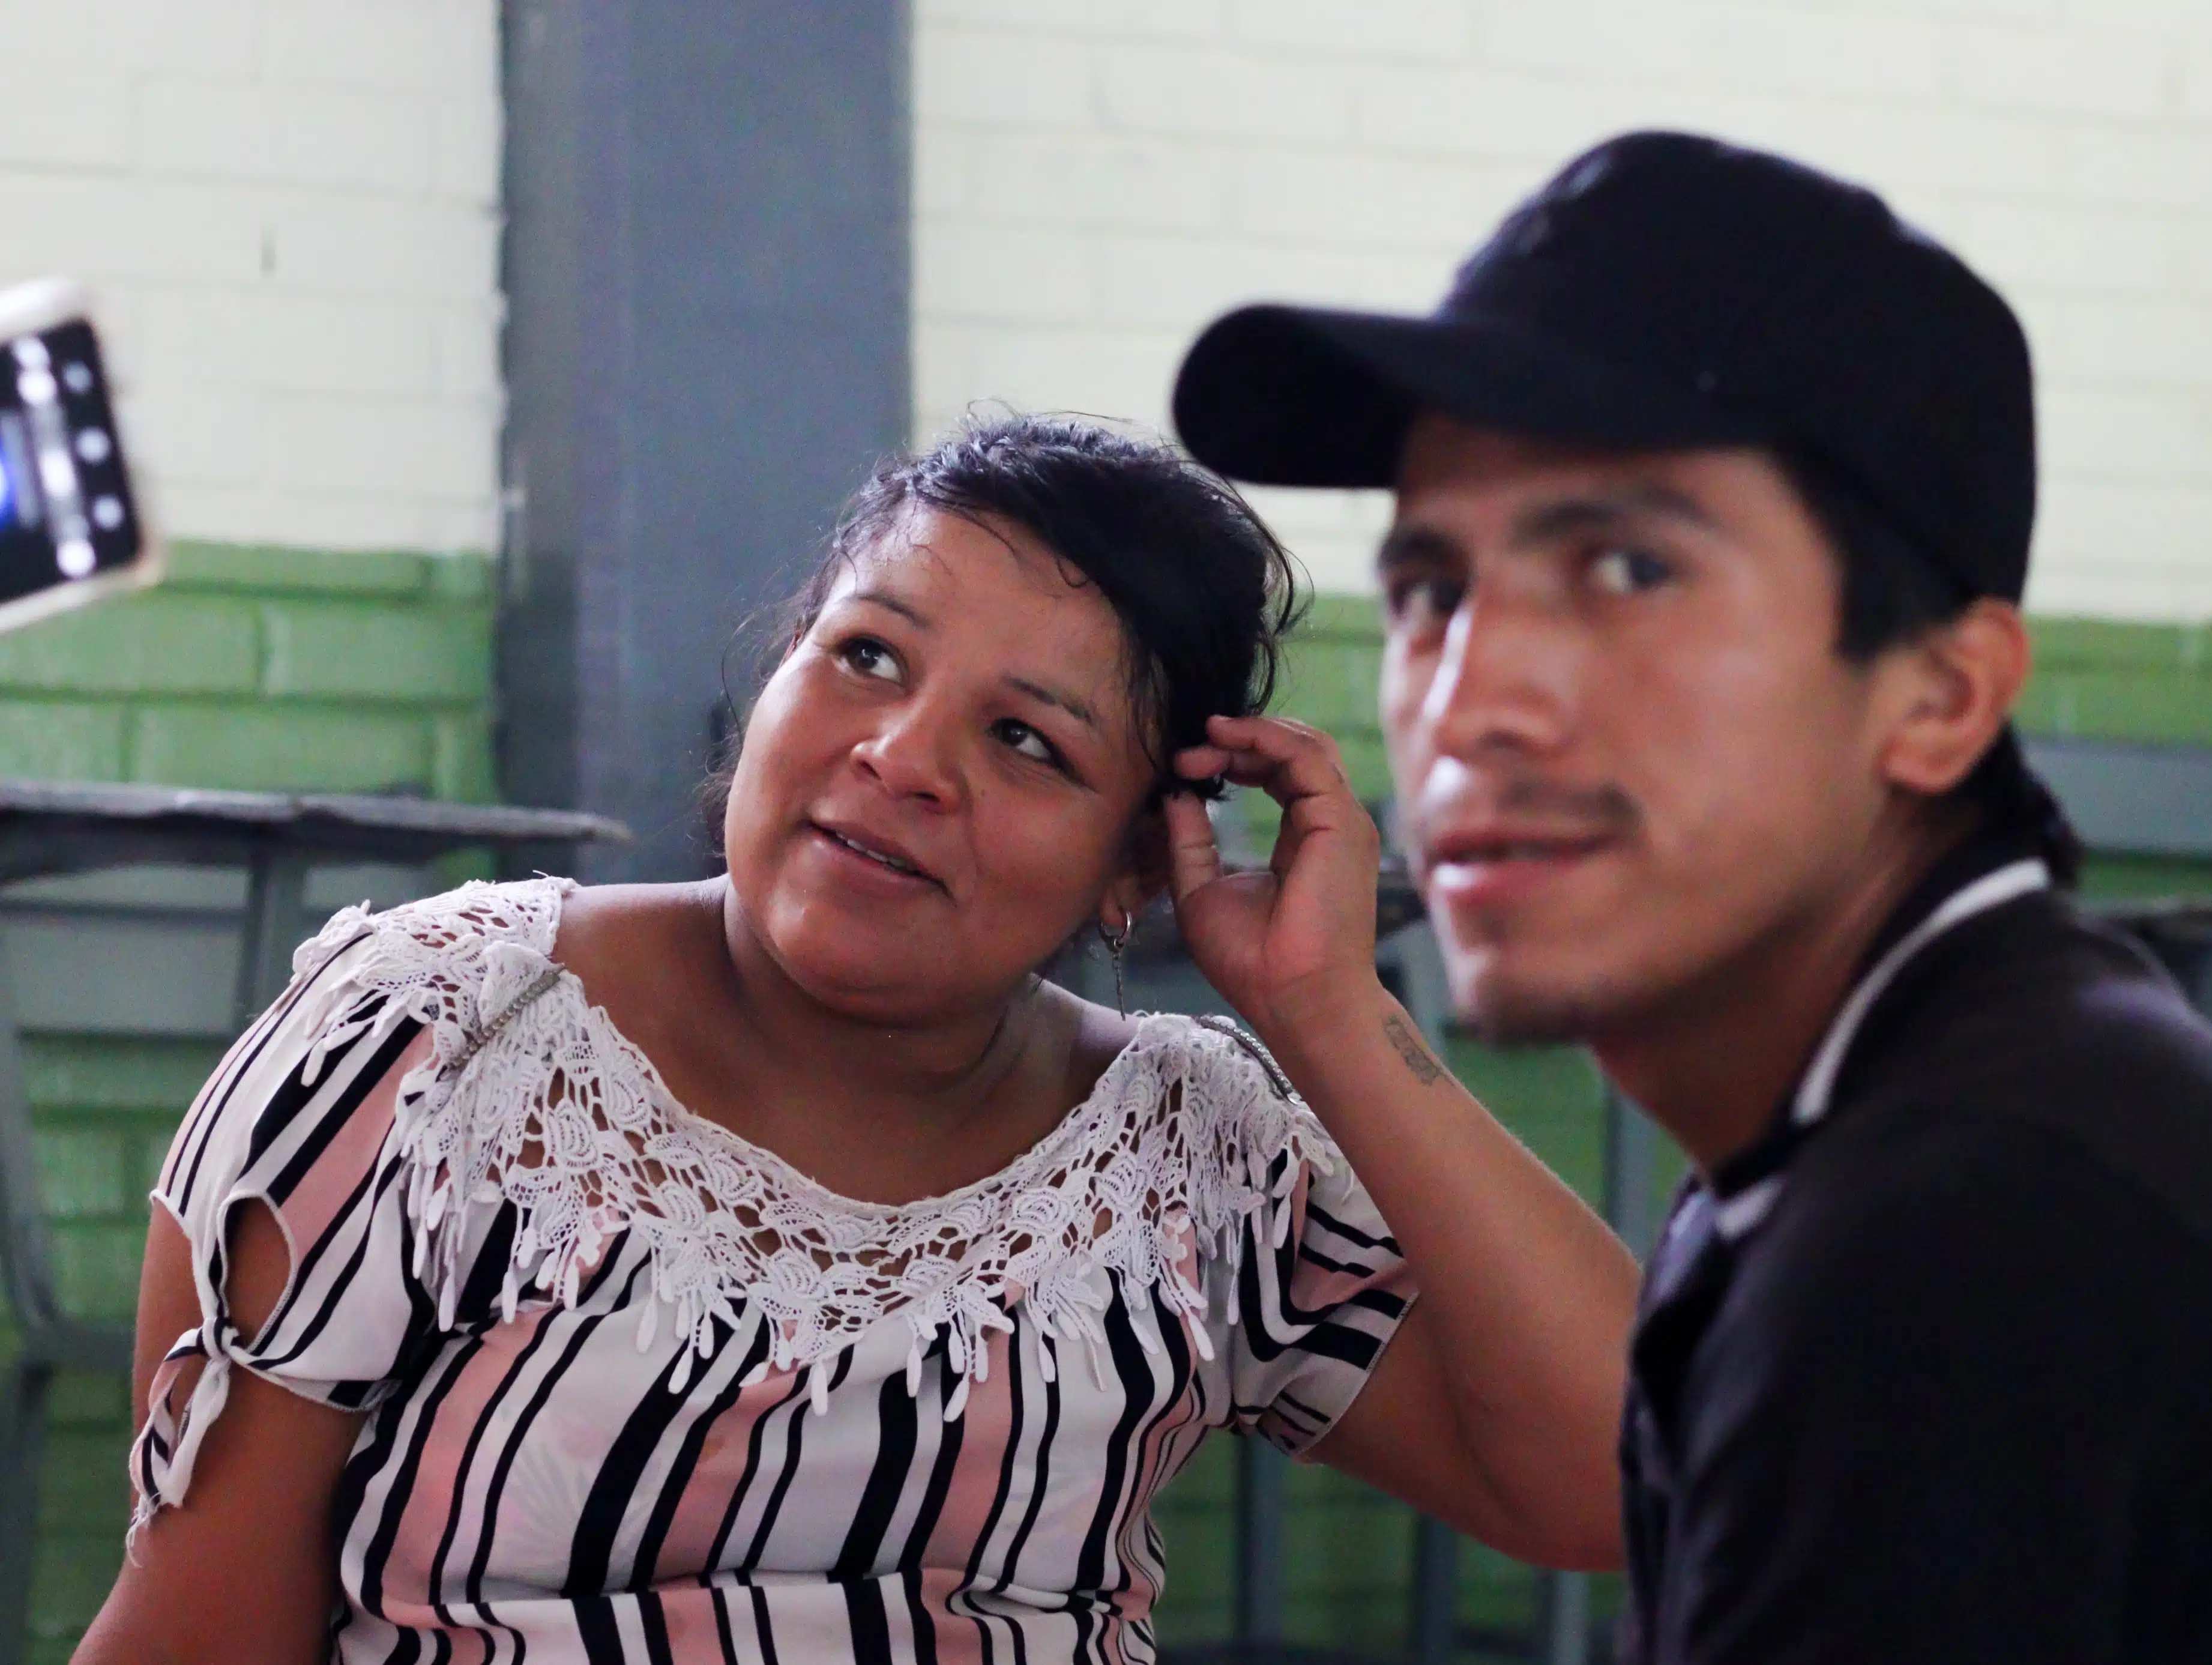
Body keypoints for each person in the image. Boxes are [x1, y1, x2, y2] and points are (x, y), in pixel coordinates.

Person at [1170, 132, 2212, 1663]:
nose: (1470, 703)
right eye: (1430, 595)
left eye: (1625, 571)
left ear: (1941, 695)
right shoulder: (1913, 1108)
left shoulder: (1971, 1226)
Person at [77, 415, 1638, 1665]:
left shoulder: (1184, 1150)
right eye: (868, 655)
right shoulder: (430, 1047)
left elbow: (1625, 1471)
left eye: (1026, 739)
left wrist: (1330, 1009)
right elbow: (202, 1624)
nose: (900, 757)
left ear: (1134, 862)